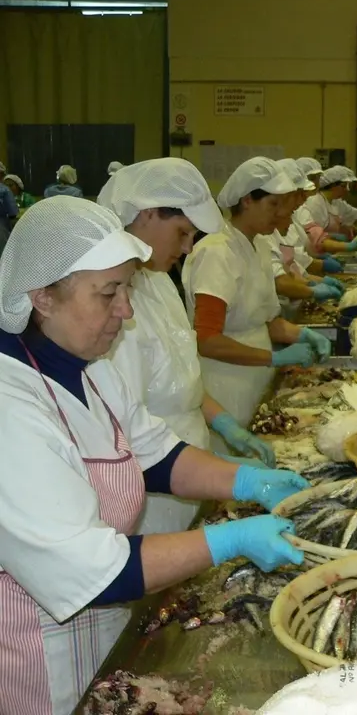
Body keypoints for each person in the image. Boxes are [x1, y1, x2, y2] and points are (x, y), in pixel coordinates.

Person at [0, 197, 307, 714]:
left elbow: (157, 456)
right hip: (42, 658)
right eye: (108, 293)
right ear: (42, 299)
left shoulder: (88, 366)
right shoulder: (10, 407)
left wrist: (247, 482)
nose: (126, 310)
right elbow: (94, 568)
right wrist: (229, 538)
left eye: (127, 289)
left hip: (105, 637)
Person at [98, 157, 280, 534]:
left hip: (188, 475)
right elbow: (122, 429)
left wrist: (225, 425)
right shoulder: (107, 303)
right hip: (150, 496)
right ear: (147, 214)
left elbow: (183, 378)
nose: (186, 247)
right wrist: (214, 467)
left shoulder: (159, 280)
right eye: (181, 232)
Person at [181, 157, 332, 431]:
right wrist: (274, 357)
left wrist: (302, 335)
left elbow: (268, 320)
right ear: (248, 200)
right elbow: (207, 339)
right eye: (273, 204)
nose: (278, 213)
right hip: (224, 386)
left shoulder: (259, 246)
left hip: (256, 380)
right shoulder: (216, 252)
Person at [259, 158, 343, 312]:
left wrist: (313, 281)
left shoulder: (283, 220)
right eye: (298, 194)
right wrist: (312, 288)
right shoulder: (264, 232)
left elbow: (293, 266)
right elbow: (280, 281)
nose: (303, 198)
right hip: (282, 307)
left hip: (287, 307)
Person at [301, 165, 357, 247]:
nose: (347, 190)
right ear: (332, 185)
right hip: (319, 251)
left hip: (331, 248)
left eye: (348, 186)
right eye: (343, 186)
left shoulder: (336, 202)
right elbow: (314, 236)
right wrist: (345, 245)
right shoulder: (316, 203)